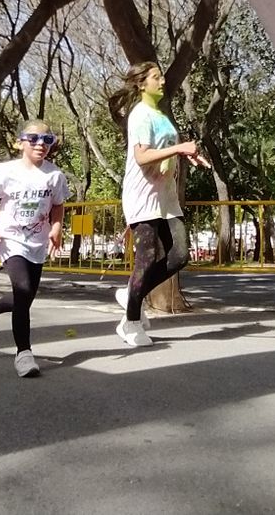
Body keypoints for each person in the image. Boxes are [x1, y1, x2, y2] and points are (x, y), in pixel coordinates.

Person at [107, 62, 206, 348]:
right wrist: (179, 147)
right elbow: (141, 157)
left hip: (166, 196)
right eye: (155, 77)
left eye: (161, 76)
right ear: (141, 84)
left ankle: (130, 295)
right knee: (147, 258)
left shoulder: (161, 116)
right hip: (142, 194)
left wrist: (185, 155)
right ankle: (132, 322)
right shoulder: (139, 114)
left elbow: (164, 152)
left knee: (179, 255)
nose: (162, 81)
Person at [0, 120, 68, 377]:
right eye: (34, 139)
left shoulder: (54, 175)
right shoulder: (5, 171)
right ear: (20, 142)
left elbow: (58, 205)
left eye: (47, 140)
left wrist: (56, 228)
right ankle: (24, 354)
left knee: (25, 297)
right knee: (23, 291)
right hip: (10, 239)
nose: (41, 145)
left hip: (37, 243)